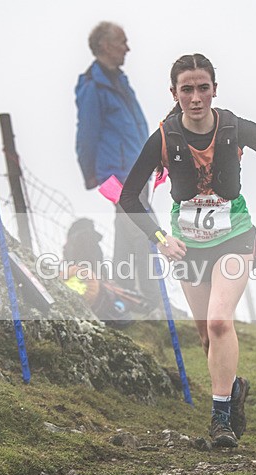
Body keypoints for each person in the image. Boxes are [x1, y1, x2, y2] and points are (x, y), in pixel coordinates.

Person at [119, 53, 256, 447]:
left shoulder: (233, 126)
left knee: (219, 323)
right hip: (187, 246)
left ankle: (220, 420)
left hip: (235, 235)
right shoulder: (163, 136)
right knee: (209, 340)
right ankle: (234, 388)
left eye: (203, 88)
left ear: (214, 89)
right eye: (187, 89)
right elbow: (129, 196)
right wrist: (161, 238)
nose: (196, 97)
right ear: (174, 93)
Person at [75, 21, 160, 310]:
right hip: (119, 176)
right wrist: (92, 175)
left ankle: (124, 297)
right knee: (146, 230)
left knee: (127, 235)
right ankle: (156, 303)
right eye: (122, 41)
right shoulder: (92, 85)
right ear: (104, 45)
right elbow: (86, 133)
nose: (128, 47)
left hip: (139, 169)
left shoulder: (120, 80)